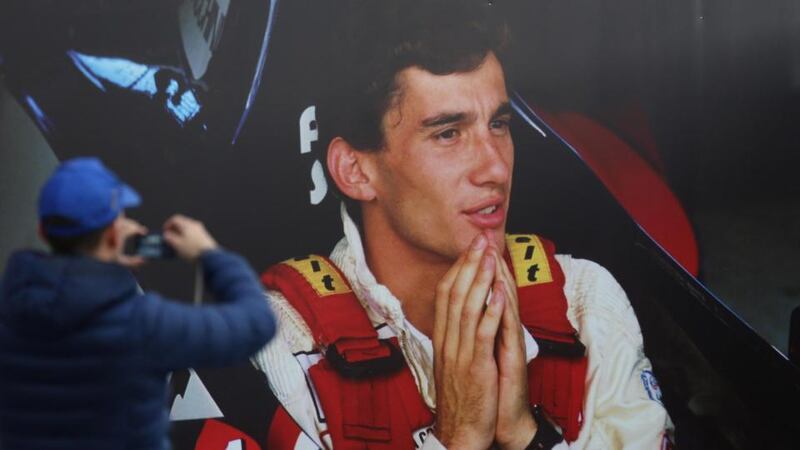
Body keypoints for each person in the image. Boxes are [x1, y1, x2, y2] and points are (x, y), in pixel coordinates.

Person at [254, 1, 672, 449]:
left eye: (499, 124)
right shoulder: (281, 342)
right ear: (355, 170)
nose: (494, 167)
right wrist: (458, 438)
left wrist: (525, 435)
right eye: (448, 134)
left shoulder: (585, 302)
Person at [0, 157, 276, 450]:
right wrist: (208, 253)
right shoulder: (144, 324)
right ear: (112, 234)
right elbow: (258, 323)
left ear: (43, 231)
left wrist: (104, 267)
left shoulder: (11, 310)